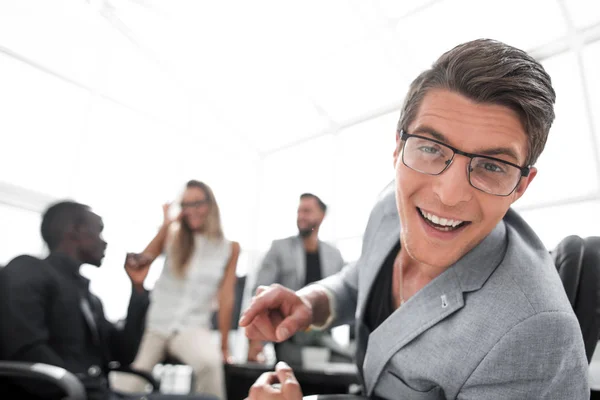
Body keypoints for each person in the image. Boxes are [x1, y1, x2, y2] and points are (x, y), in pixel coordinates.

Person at [239, 39, 589, 399]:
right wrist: (310, 304)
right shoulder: (389, 208)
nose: (449, 194)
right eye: (431, 148)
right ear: (397, 147)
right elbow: (359, 278)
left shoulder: (534, 335)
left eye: (491, 166)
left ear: (521, 186)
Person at [0, 200, 192, 400]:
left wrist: (137, 291)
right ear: (75, 231)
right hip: (69, 393)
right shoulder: (27, 270)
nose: (105, 241)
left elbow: (124, 353)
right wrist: (88, 388)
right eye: (99, 231)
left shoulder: (88, 297)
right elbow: (27, 352)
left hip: (93, 392)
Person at [118, 180, 240, 399]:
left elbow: (226, 298)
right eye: (185, 205)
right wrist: (166, 225)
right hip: (157, 325)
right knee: (130, 381)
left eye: (197, 203)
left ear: (210, 204)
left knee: (210, 366)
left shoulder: (229, 248)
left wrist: (224, 347)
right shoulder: (172, 234)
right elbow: (141, 263)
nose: (191, 210)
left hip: (192, 327)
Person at [248, 193, 344, 365]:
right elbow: (260, 290)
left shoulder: (334, 255)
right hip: (289, 334)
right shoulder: (279, 248)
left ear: (321, 215)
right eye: (299, 211)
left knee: (344, 364)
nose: (301, 216)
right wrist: (256, 341)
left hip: (321, 334)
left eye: (307, 211)